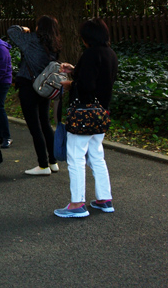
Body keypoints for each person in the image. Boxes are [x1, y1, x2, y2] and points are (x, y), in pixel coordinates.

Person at [54, 18, 118, 218]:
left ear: (86, 37)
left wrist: (69, 84)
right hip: (101, 113)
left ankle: (77, 203)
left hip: (83, 113)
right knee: (97, 155)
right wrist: (74, 70)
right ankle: (104, 198)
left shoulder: (90, 54)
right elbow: (98, 79)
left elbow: (86, 85)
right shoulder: (110, 54)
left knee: (75, 157)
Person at [7, 16, 61, 175]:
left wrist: (23, 28)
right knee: (45, 124)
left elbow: (11, 30)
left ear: (39, 27)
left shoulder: (31, 40)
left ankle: (43, 165)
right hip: (45, 87)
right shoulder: (54, 45)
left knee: (35, 127)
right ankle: (53, 162)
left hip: (28, 86)